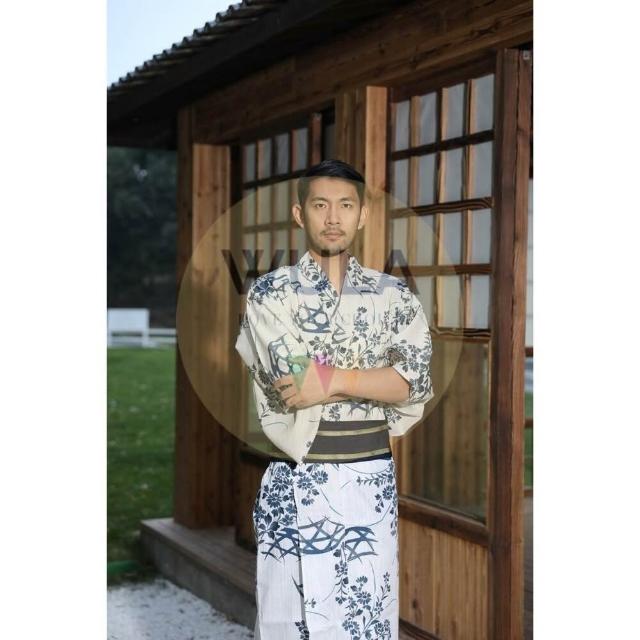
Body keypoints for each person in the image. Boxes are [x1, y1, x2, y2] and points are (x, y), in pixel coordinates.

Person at [235, 159, 434, 639]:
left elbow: (412, 383)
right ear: (299, 213)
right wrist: (373, 376)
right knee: (289, 624)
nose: (332, 217)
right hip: (296, 480)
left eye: (345, 205)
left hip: (369, 480)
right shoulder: (270, 293)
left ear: (362, 215)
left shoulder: (394, 295)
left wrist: (335, 378)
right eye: (320, 205)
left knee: (366, 621)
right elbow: (294, 382)